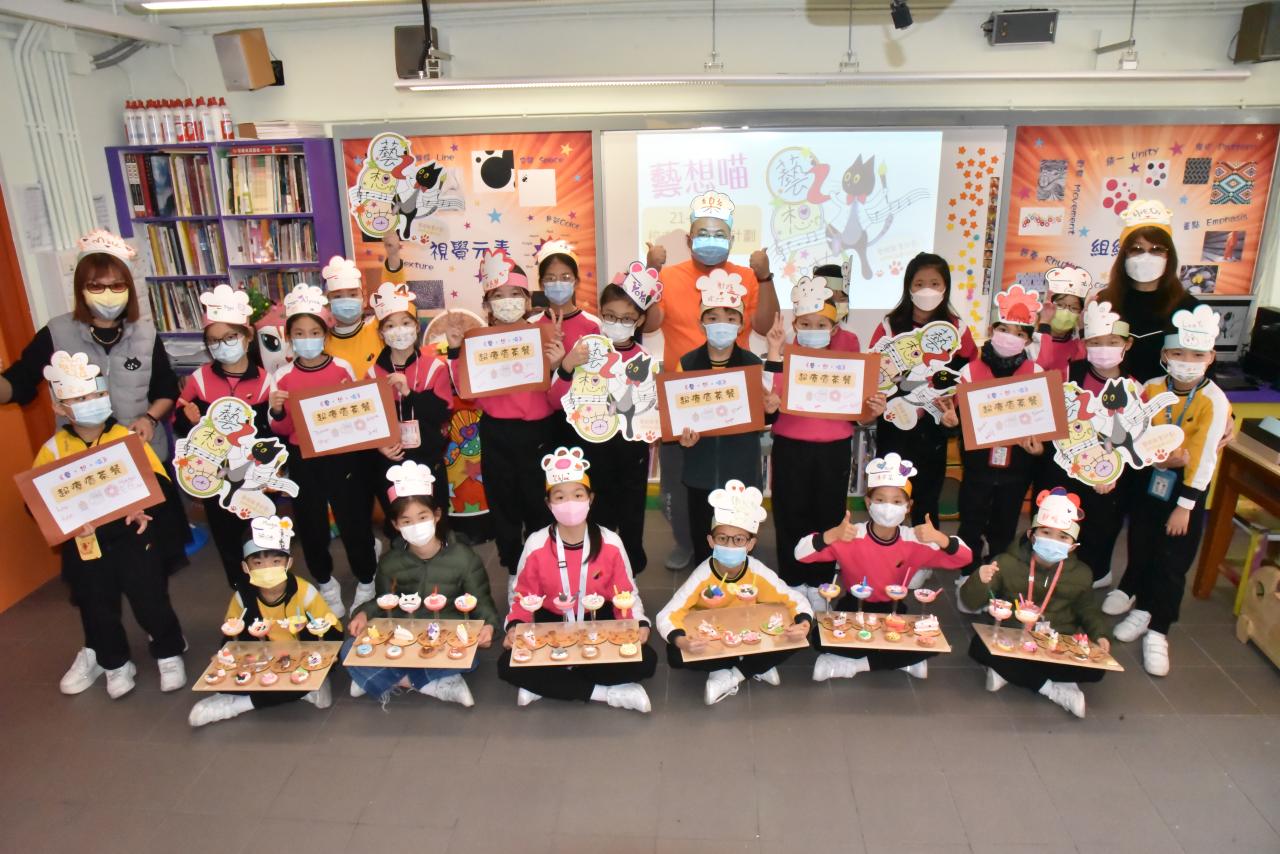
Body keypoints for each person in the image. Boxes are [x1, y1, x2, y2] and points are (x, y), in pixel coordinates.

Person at [37, 351, 187, 700]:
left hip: (132, 536)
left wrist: (142, 505)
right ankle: (115, 663)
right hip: (86, 543)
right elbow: (39, 501)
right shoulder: (53, 449)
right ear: (60, 407)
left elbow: (160, 482)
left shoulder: (126, 438)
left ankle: (168, 651)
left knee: (150, 597)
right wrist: (69, 525)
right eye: (79, 399)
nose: (91, 403)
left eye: (96, 394)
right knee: (96, 605)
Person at [644, 191, 781, 571]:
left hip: (735, 395)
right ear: (689, 239)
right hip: (683, 395)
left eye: (719, 234)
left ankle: (737, 540)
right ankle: (686, 542)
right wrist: (651, 272)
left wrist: (765, 276)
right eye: (702, 233)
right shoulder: (669, 276)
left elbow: (765, 325)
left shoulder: (747, 277)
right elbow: (650, 324)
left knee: (735, 474)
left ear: (732, 239)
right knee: (679, 481)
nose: (710, 240)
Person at [1110, 305, 1230, 676]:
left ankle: (1159, 630)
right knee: (1142, 545)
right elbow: (1130, 432)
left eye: (1196, 355)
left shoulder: (1214, 400)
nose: (1187, 362)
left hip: (1186, 489)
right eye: (1179, 353)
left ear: (1210, 357)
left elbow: (1206, 457)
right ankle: (1142, 608)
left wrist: (1186, 506)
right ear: (1165, 355)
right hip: (1150, 480)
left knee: (1173, 562)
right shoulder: (1151, 388)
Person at [0, 230, 181, 462]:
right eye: (96, 287)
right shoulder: (57, 332)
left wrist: (150, 419)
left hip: (142, 451)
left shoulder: (145, 333)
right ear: (81, 289)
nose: (108, 294)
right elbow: (20, 382)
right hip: (83, 459)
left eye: (117, 286)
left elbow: (166, 390)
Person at [497, 447, 655, 712]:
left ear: (590, 499)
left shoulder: (610, 542)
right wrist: (515, 628)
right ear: (548, 503)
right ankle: (605, 693)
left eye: (578, 495)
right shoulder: (535, 544)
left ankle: (548, 681)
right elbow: (523, 596)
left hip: (598, 622)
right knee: (506, 665)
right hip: (552, 623)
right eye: (560, 497)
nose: (569, 502)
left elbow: (626, 593)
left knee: (646, 660)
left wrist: (637, 624)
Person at [444, 249, 562, 593]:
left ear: (527, 299)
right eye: (498, 295)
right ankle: (514, 569)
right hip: (497, 432)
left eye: (515, 294)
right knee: (504, 504)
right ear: (487, 303)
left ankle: (544, 567)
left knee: (539, 504)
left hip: (539, 432)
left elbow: (560, 391)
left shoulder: (544, 333)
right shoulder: (478, 341)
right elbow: (467, 391)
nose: (507, 301)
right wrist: (455, 350)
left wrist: (558, 364)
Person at [764, 273, 885, 608]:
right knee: (790, 515)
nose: (813, 329)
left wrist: (872, 410)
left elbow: (861, 411)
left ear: (833, 329)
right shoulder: (784, 354)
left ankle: (821, 585)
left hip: (833, 449)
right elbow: (769, 398)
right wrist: (773, 352)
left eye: (821, 324)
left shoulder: (847, 356)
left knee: (829, 516)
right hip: (791, 447)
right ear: (795, 324)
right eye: (805, 323)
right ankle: (792, 582)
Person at [796, 453, 972, 682]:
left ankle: (856, 664)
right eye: (880, 500)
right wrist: (831, 535)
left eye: (897, 502)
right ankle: (897, 660)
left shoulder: (914, 540)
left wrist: (941, 538)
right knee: (819, 638)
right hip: (854, 607)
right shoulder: (851, 535)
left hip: (893, 610)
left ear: (908, 507)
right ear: (868, 503)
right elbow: (801, 554)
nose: (888, 507)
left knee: (933, 642)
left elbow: (964, 558)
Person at [344, 462, 497, 706]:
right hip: (404, 635)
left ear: (437, 515)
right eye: (406, 521)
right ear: (396, 525)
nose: (416, 526)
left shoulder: (464, 558)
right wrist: (363, 613)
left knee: (471, 657)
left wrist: (488, 626)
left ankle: (378, 678)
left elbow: (482, 604)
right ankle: (433, 684)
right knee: (348, 649)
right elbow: (384, 603)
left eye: (422, 517)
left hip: (447, 635)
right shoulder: (390, 562)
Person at [268, 283, 377, 618]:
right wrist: (276, 411)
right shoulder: (283, 376)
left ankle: (366, 579)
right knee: (311, 524)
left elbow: (360, 414)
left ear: (325, 334)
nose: (308, 339)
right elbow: (282, 430)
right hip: (304, 460)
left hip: (342, 458)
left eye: (314, 332)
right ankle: (326, 583)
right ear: (289, 338)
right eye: (299, 333)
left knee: (353, 519)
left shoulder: (342, 368)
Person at [657, 480, 813, 705]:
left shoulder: (757, 571)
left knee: (797, 637)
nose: (730, 545)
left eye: (739, 539)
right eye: (722, 538)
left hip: (749, 633)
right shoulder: (702, 575)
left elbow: (796, 600)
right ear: (711, 541)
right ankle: (755, 666)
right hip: (715, 636)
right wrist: (682, 641)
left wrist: (804, 624)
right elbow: (667, 614)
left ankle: (733, 675)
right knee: (675, 654)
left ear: (750, 544)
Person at [960, 488, 1112, 718]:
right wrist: (979, 580)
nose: (1053, 541)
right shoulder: (1006, 562)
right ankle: (1053, 689)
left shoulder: (1081, 573)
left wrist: (1100, 635)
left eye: (1063, 537)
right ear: (1032, 535)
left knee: (1098, 670)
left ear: (1072, 545)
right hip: (1013, 638)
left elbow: (1087, 609)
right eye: (1046, 532)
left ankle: (1012, 673)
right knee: (979, 647)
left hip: (1055, 642)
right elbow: (969, 602)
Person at [550, 264, 663, 572]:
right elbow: (554, 400)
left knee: (631, 515)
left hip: (630, 452)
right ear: (600, 313)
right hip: (590, 450)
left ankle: (629, 571)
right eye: (610, 316)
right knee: (596, 515)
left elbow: (652, 414)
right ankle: (594, 570)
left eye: (627, 318)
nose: (617, 323)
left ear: (639, 320)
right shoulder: (585, 351)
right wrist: (567, 366)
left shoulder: (645, 360)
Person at [942, 285, 1044, 609]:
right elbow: (955, 417)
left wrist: (1039, 447)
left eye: (1019, 333)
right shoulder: (970, 371)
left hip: (1017, 469)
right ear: (991, 329)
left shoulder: (1037, 374)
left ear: (1028, 339)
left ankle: (995, 578)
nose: (1010, 337)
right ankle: (967, 575)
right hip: (977, 467)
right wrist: (951, 421)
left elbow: (1045, 426)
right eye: (1004, 329)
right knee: (971, 522)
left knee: (1005, 526)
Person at [188, 515, 342, 727]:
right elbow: (232, 632)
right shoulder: (243, 597)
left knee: (302, 680)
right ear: (246, 567)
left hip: (301, 657)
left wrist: (325, 656)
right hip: (260, 659)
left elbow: (332, 631)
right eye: (258, 563)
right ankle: (236, 694)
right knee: (229, 678)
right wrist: (225, 655)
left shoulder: (305, 592)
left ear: (288, 563)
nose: (267, 569)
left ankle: (239, 705)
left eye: (275, 562)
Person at [674, 269, 780, 566]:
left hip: (741, 469)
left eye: (731, 318)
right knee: (703, 539)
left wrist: (771, 408)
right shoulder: (687, 363)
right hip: (700, 471)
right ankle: (703, 582)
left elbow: (764, 415)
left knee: (739, 540)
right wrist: (682, 437)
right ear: (701, 323)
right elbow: (677, 418)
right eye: (713, 318)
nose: (722, 325)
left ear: (741, 324)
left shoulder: (751, 363)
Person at [173, 284, 274, 589]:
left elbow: (272, 431)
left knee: (260, 535)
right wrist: (187, 418)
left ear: (247, 336)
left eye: (230, 337)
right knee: (226, 537)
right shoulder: (199, 379)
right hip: (214, 476)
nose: (222, 345)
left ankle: (269, 585)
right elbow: (180, 420)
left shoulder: (265, 380)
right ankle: (240, 590)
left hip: (253, 474)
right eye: (214, 340)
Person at [869, 253, 977, 526]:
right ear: (908, 286)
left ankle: (925, 547)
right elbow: (873, 369)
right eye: (919, 284)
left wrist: (952, 408)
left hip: (933, 425)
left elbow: (970, 372)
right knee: (889, 494)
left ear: (945, 287)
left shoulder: (957, 328)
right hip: (895, 422)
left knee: (927, 498)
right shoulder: (890, 325)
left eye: (934, 283)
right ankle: (884, 544)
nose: (926, 290)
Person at [1040, 300, 1138, 590]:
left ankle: (1092, 575)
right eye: (1095, 341)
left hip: (1105, 476)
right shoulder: (1070, 373)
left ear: (1127, 344)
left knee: (1098, 526)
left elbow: (1132, 435)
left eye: (1113, 342)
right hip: (1062, 467)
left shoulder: (1134, 386)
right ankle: (1048, 570)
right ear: (1084, 343)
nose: (1104, 348)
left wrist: (1112, 471)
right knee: (1057, 521)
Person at [365, 281, 454, 533]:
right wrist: (380, 445)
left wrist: (409, 393)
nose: (399, 330)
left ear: (416, 327)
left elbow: (443, 411)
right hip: (391, 457)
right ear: (381, 333)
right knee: (399, 519)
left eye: (405, 323)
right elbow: (368, 422)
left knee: (435, 516)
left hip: (428, 456)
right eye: (390, 326)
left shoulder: (435, 367)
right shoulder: (372, 373)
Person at [1092, 200, 1198, 383]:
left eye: (1156, 249)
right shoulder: (1104, 302)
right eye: (1137, 249)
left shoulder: (1189, 307)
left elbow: (1202, 367)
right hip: (1113, 395)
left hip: (1167, 397)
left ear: (1169, 256)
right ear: (1124, 255)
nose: (1146, 257)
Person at [320, 254, 383, 378]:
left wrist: (393, 258)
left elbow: (398, 299)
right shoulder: (323, 342)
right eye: (337, 296)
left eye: (353, 295)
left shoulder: (377, 328)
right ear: (328, 304)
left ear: (363, 300)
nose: (346, 300)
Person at [534, 240, 600, 355]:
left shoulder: (593, 324)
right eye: (550, 278)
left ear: (576, 282)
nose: (558, 283)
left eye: (565, 277)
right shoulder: (531, 324)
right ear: (541, 284)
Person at [1034, 266, 1092, 375]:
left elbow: (1085, 367)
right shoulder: (1029, 339)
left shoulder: (1077, 345)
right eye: (1060, 305)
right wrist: (1044, 323)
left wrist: (1083, 330)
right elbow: (1037, 364)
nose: (1066, 312)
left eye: (1074, 308)